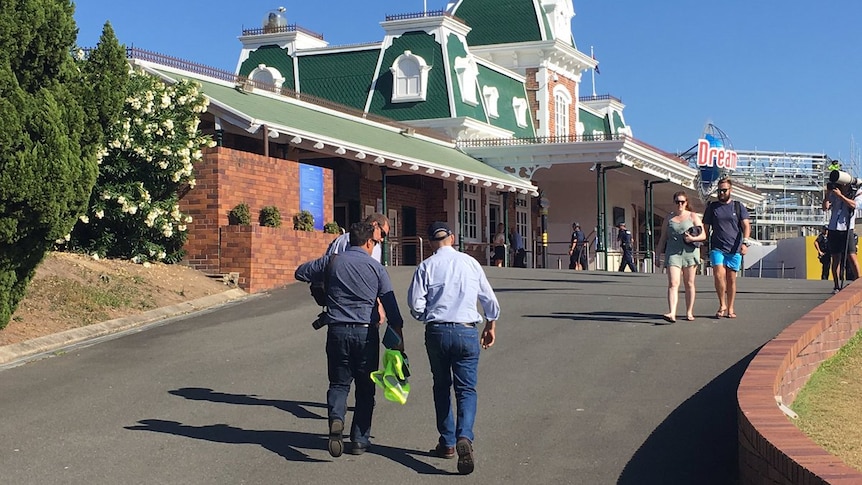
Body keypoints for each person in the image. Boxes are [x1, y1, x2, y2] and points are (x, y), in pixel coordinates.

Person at [294, 222, 405, 457]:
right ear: (367, 242)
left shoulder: (333, 261)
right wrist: (398, 336)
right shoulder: (376, 268)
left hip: (337, 330)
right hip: (366, 333)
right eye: (374, 241)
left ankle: (336, 419)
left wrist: (324, 284)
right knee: (365, 388)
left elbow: (301, 272)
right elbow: (393, 309)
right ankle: (359, 440)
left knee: (338, 383)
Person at [407, 222, 499, 475]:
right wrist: (490, 325)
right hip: (466, 329)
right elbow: (489, 299)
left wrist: (426, 316)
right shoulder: (470, 263)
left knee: (441, 385)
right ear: (453, 238)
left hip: (437, 329)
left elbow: (415, 303)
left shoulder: (426, 266)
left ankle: (447, 441)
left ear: (430, 242)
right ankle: (464, 437)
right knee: (466, 388)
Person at [703, 178, 751, 319]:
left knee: (731, 279)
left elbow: (746, 226)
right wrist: (703, 244)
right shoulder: (712, 207)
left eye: (724, 190)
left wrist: (745, 242)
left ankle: (730, 308)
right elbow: (705, 227)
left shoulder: (738, 206)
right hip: (717, 247)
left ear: (731, 191)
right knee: (718, 274)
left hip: (734, 248)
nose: (721, 193)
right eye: (719, 190)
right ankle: (721, 304)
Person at [654, 192, 706, 323]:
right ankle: (672, 312)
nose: (680, 204)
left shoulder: (692, 216)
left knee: (689, 283)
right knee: (673, 283)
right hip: (673, 253)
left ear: (686, 202)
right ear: (674, 203)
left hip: (689, 253)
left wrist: (692, 238)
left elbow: (703, 235)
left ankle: (689, 312)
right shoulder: (669, 218)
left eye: (682, 202)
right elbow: (663, 238)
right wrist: (657, 254)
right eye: (677, 202)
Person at [823, 179, 862, 293]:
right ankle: (836, 285)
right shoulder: (834, 193)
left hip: (847, 228)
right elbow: (825, 207)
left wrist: (840, 196)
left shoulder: (856, 193)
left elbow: (854, 205)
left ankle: (858, 282)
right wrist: (827, 194)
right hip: (833, 228)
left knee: (851, 256)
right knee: (835, 259)